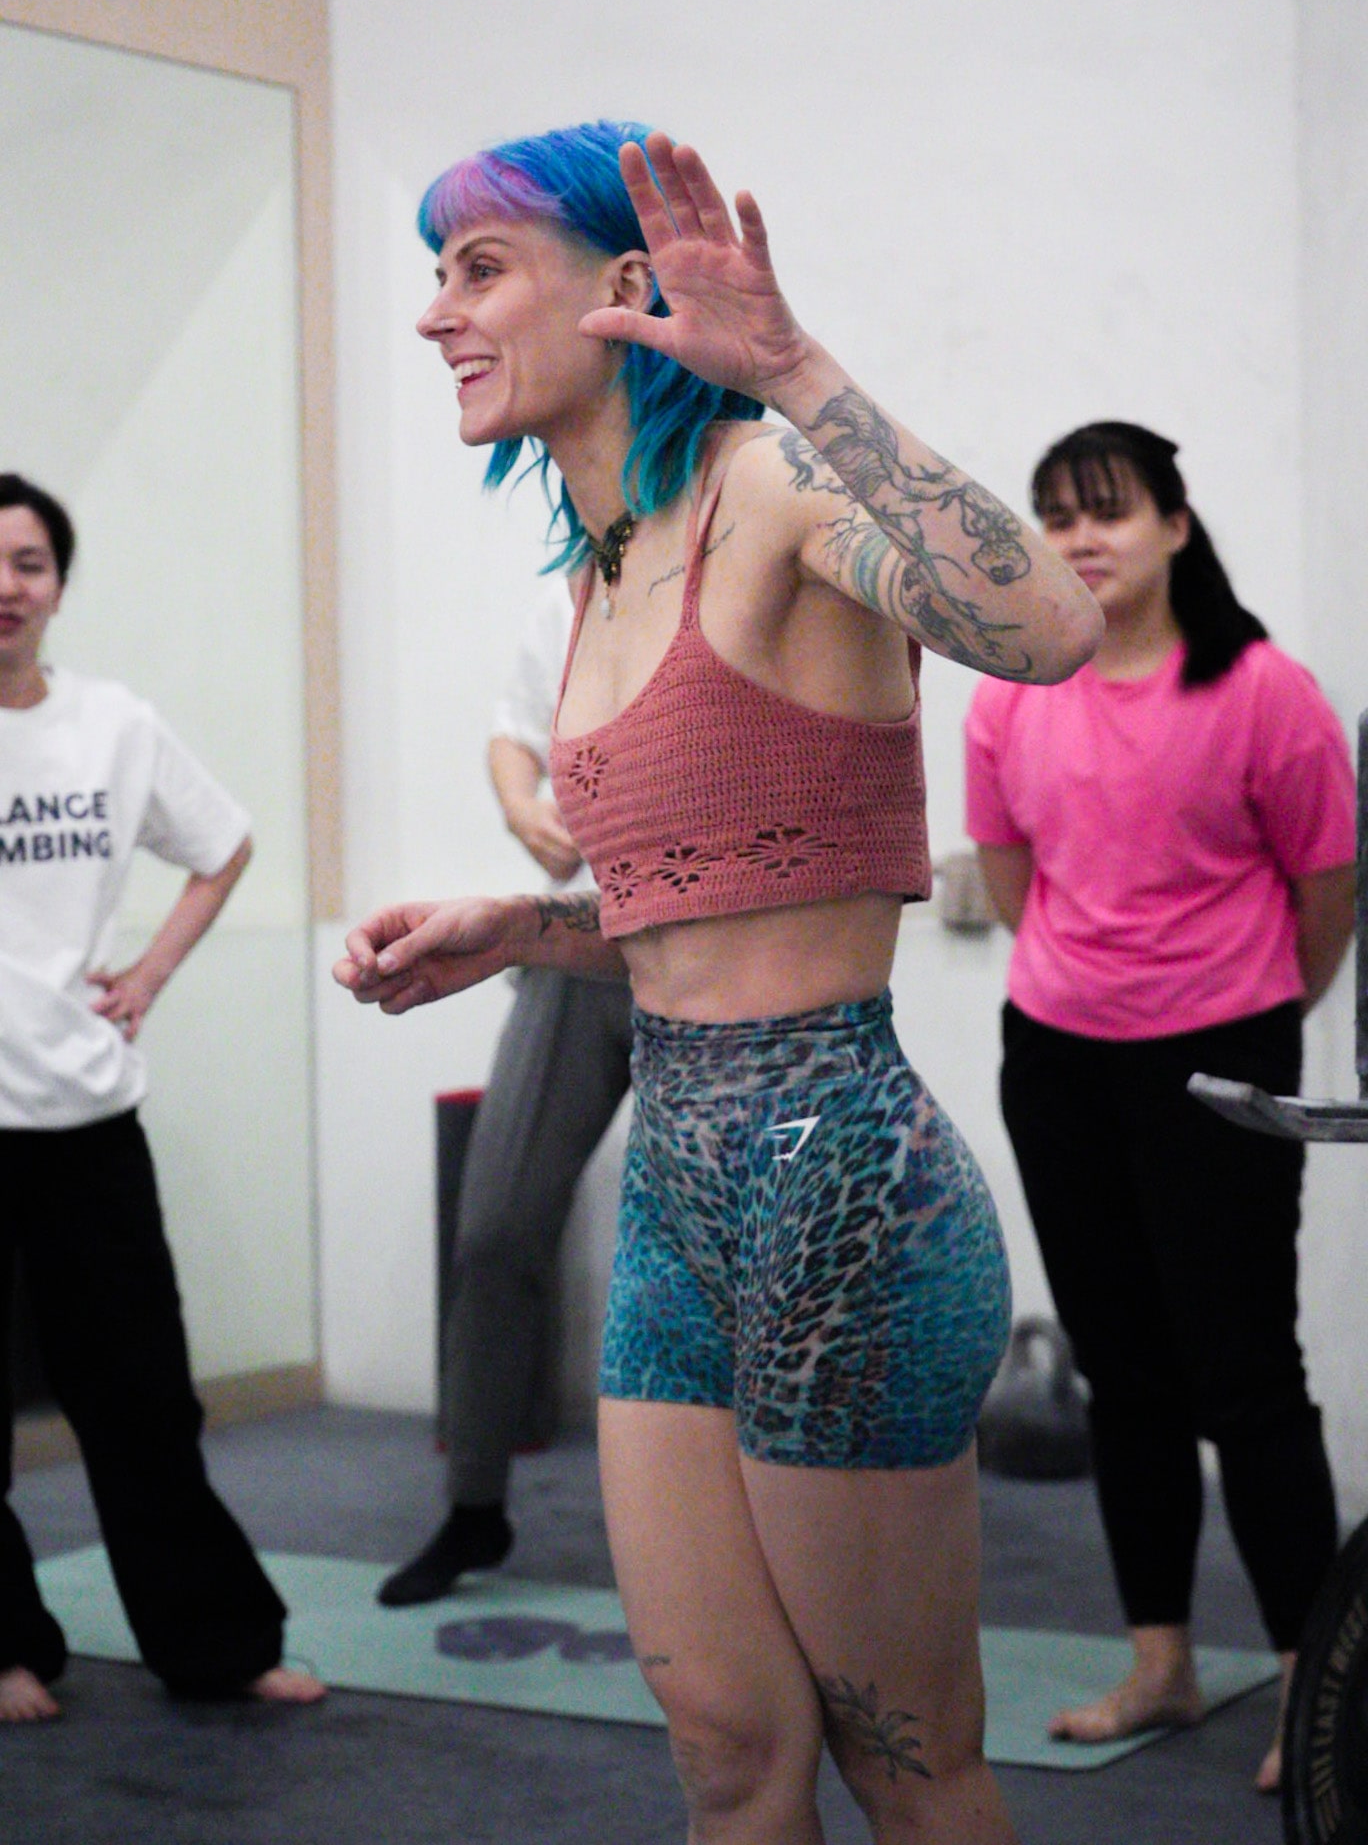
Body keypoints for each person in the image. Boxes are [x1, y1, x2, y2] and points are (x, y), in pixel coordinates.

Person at [337, 121, 1101, 1844]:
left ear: (622, 288)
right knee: (729, 1751)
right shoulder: (601, 563)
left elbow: (1046, 628)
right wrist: (516, 927)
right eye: (435, 274)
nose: (435, 314)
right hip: (681, 1194)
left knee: (907, 1759)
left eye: (477, 270)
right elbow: (700, 904)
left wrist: (795, 364)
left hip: (836, 1184)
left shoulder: (768, 484)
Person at [965, 420, 1354, 1795]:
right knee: (1122, 1370)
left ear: (1176, 525)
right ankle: (1161, 1661)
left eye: (1109, 510)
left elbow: (1326, 891)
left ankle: (1314, 1685)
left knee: (1247, 1376)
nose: (1081, 538)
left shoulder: (1264, 691)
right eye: (1058, 514)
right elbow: (1010, 879)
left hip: (1222, 1060)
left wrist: (1241, 1006)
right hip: (1059, 1058)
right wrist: (1098, 987)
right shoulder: (1012, 692)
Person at [0, 472, 325, 1723]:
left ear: (57, 586)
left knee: (142, 1399)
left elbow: (222, 843)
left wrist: (147, 975)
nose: (6, 586)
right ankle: (3, 1644)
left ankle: (217, 1642)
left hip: (86, 1120)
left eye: (29, 562)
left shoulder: (113, 726)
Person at [378, 576, 634, 1607]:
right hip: (575, 942)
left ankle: (760, 1525)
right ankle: (474, 1507)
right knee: (494, 1228)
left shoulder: (744, 565)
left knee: (726, 1251)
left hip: (717, 952)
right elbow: (513, 732)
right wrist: (524, 810)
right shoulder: (574, 596)